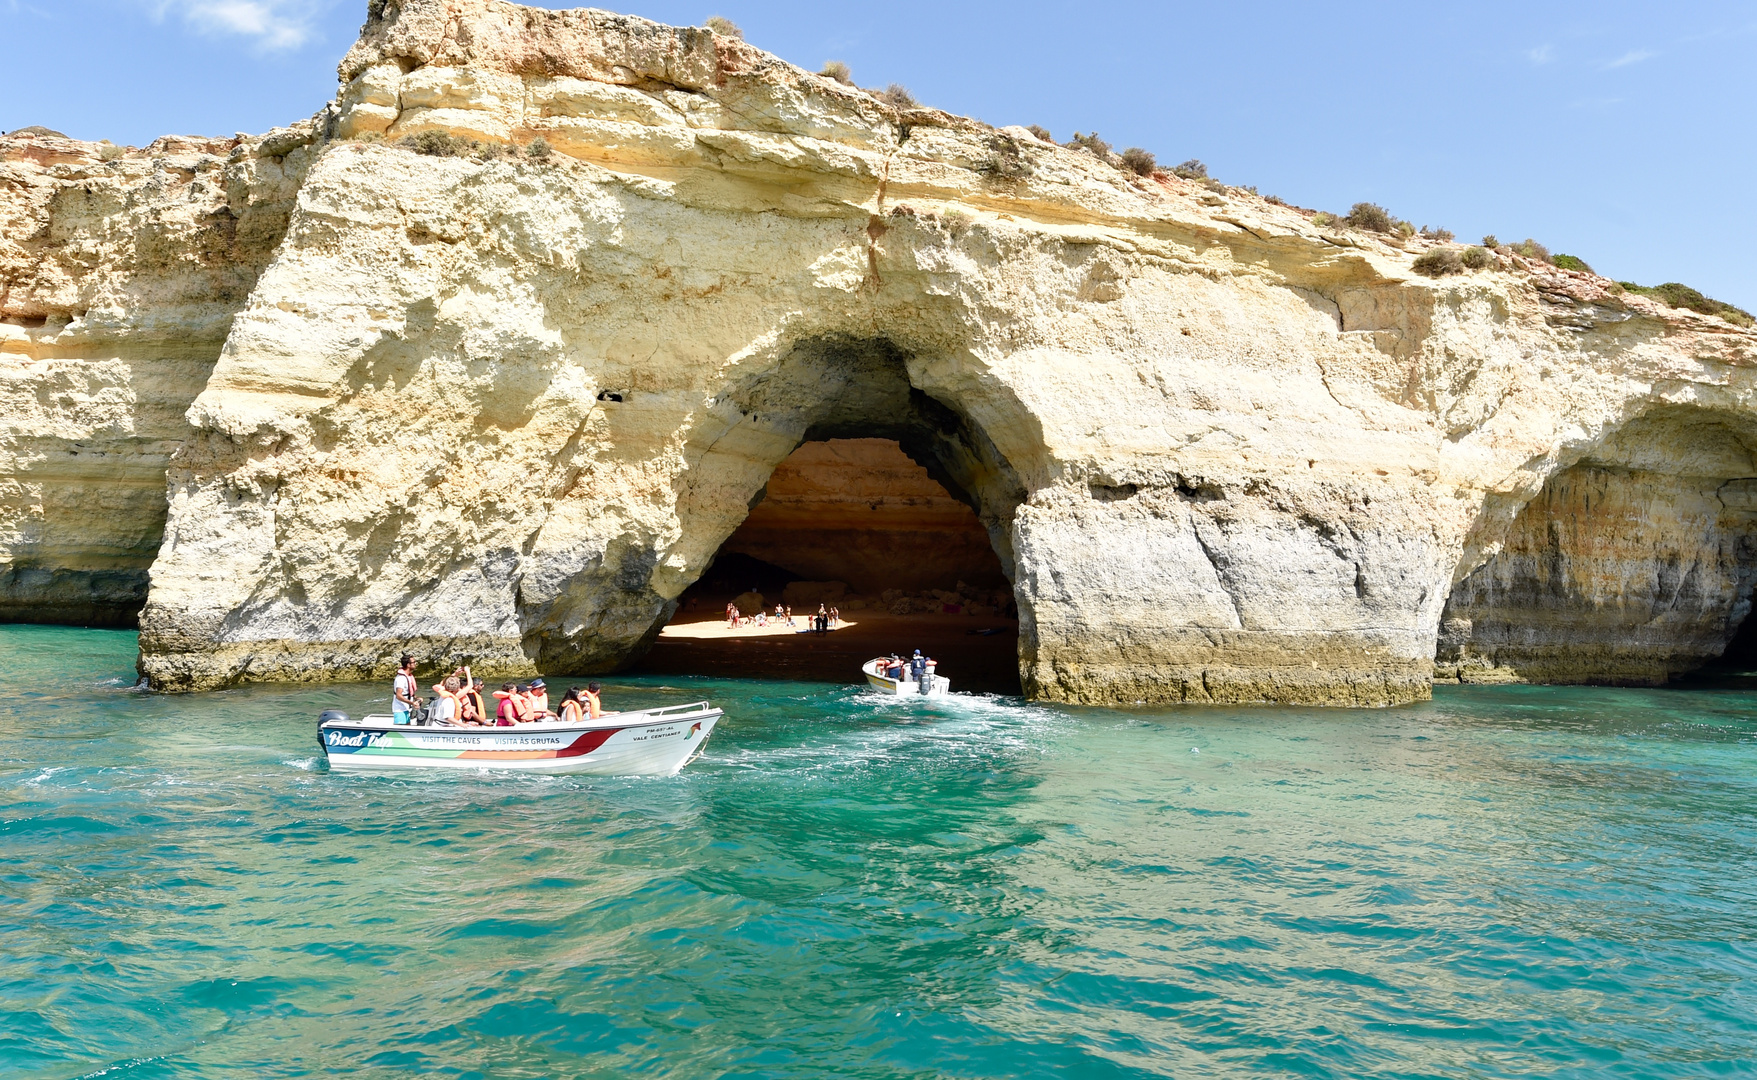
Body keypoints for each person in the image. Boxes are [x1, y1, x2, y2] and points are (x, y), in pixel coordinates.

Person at [392, 654, 420, 725]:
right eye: (413, 662)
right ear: (408, 664)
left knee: (408, 727)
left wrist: (416, 698)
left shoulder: (408, 676)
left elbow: (408, 692)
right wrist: (412, 703)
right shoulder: (401, 678)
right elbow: (399, 695)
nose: (415, 663)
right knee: (400, 733)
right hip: (400, 710)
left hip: (406, 709)